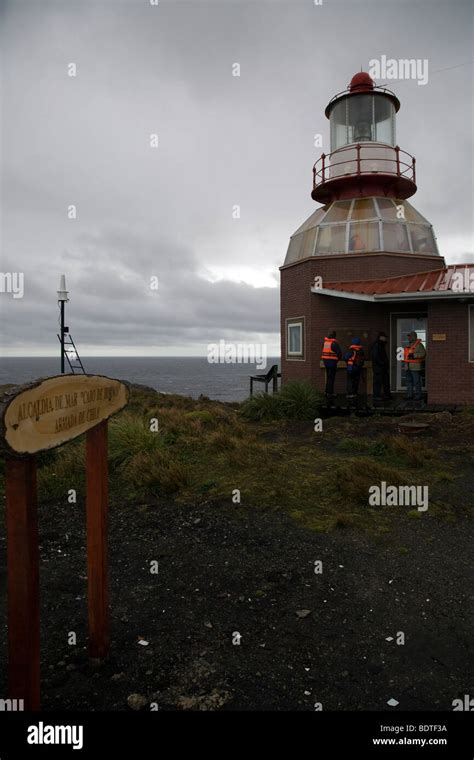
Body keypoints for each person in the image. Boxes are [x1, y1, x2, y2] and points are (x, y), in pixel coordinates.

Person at [403, 330, 426, 401]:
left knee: (416, 381)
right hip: (408, 367)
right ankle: (410, 395)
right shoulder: (408, 345)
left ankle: (418, 395)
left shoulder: (419, 345)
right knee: (408, 381)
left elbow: (423, 353)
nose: (408, 338)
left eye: (410, 336)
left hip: (415, 367)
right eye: (408, 336)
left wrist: (414, 355)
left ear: (414, 337)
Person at [370, 331, 392, 401]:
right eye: (384, 337)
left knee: (385, 381)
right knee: (377, 382)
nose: (385, 339)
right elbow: (375, 357)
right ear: (381, 337)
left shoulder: (381, 345)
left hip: (382, 367)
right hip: (378, 368)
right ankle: (376, 396)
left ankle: (387, 395)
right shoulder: (377, 345)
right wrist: (382, 363)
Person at [321, 331, 342, 398]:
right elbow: (339, 354)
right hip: (332, 363)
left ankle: (326, 391)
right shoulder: (334, 344)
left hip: (326, 363)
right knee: (331, 378)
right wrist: (337, 360)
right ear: (334, 336)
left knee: (328, 377)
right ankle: (330, 393)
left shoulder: (325, 343)